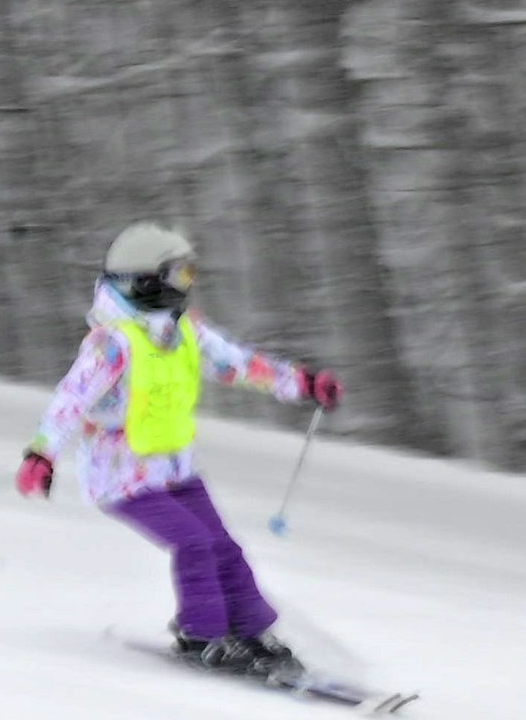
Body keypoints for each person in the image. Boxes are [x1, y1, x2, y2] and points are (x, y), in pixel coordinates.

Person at [18, 221, 341, 678]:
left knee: (224, 545)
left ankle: (249, 631)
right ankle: (201, 635)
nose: (186, 285)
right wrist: (41, 454)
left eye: (189, 275)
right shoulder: (112, 344)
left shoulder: (183, 331)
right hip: (121, 475)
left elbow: (238, 364)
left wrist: (302, 383)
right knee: (195, 543)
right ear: (146, 281)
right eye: (178, 275)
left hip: (174, 468)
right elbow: (71, 399)